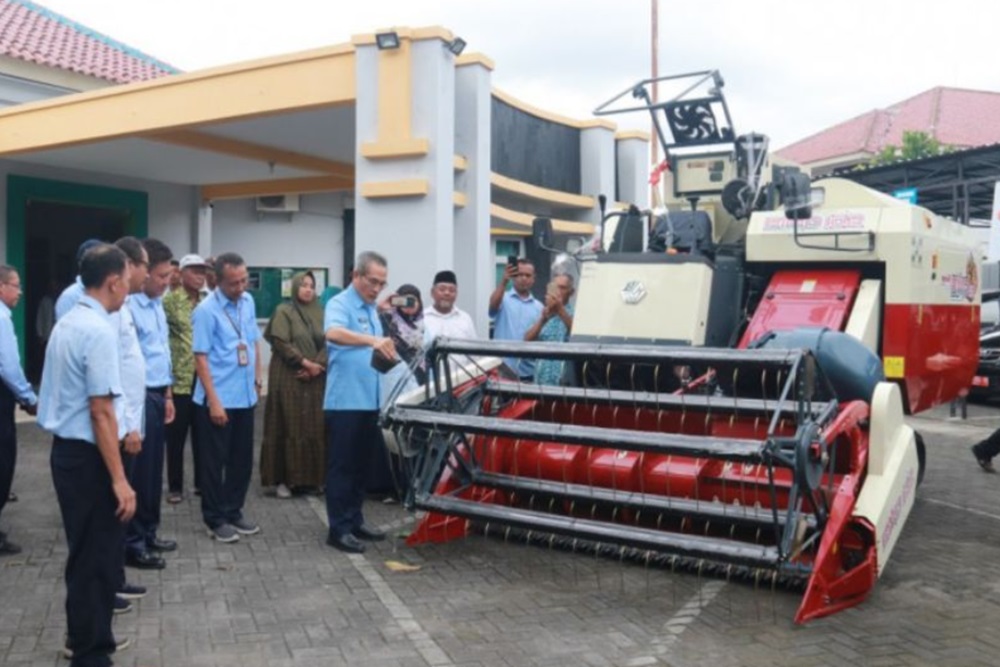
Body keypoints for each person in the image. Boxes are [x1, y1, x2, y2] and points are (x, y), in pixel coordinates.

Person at [38, 243, 137, 666]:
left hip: (68, 455)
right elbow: (101, 412)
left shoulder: (70, 321)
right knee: (96, 558)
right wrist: (119, 479)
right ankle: (91, 654)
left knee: (85, 553)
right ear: (114, 281)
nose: (128, 292)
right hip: (89, 457)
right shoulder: (97, 331)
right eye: (128, 284)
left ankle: (89, 637)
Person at [323, 251, 395, 553]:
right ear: (356, 276)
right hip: (345, 403)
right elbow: (333, 333)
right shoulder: (339, 303)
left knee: (361, 468)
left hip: (369, 400)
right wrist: (372, 341)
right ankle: (338, 529)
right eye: (372, 281)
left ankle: (354, 520)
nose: (377, 288)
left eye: (382, 283)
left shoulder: (370, 310)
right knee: (342, 467)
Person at [192, 253, 262, 543]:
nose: (241, 287)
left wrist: (258, 378)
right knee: (213, 462)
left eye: (244, 280)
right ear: (217, 281)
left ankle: (234, 510)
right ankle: (214, 518)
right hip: (218, 398)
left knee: (241, 460)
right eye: (234, 283)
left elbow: (253, 341)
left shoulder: (248, 302)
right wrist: (214, 401)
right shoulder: (206, 311)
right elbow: (201, 357)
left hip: (245, 396)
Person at [125, 239, 177, 564]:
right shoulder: (130, 307)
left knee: (155, 469)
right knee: (139, 472)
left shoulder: (158, 303)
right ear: (144, 274)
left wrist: (169, 394)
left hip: (159, 394)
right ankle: (133, 542)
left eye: (169, 275)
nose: (166, 282)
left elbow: (163, 352)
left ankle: (149, 531)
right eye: (160, 276)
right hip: (139, 396)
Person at [260, 271, 327, 499]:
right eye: (304, 285)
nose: (308, 289)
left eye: (312, 285)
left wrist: (316, 366)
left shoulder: (322, 312)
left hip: (315, 380)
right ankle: (283, 480)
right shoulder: (284, 311)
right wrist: (304, 362)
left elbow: (330, 342)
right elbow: (279, 341)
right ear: (295, 287)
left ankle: (310, 480)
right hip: (288, 376)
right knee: (287, 424)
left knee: (313, 426)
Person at [163, 254, 210, 504]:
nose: (200, 275)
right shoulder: (169, 302)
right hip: (179, 377)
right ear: (181, 274)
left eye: (203, 271)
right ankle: (175, 486)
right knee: (176, 436)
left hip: (203, 377)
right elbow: (162, 339)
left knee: (203, 432)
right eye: (194, 270)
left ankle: (202, 483)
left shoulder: (207, 301)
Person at [0, 265, 37, 556]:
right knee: (3, 461)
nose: (20, 292)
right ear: (2, 286)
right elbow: (8, 366)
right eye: (16, 285)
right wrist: (27, 397)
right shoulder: (1, 317)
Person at [489, 258, 543, 380]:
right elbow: (492, 309)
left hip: (528, 372)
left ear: (533, 278)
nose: (523, 278)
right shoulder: (503, 298)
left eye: (528, 275)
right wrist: (503, 281)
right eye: (519, 274)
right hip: (502, 369)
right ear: (513, 276)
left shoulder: (539, 307)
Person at [423, 270, 478, 379]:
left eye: (452, 290)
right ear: (432, 293)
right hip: (431, 386)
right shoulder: (423, 318)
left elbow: (474, 354)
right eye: (442, 289)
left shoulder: (465, 319)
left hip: (462, 386)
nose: (447, 293)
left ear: (456, 294)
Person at [524, 272, 576, 386]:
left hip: (564, 381)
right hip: (541, 378)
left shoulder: (575, 314)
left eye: (562, 288)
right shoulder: (542, 312)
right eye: (555, 287)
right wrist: (543, 319)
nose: (558, 292)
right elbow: (527, 340)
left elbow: (576, 336)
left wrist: (560, 310)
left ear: (571, 292)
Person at [378, 283, 427, 385]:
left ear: (419, 302)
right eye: (404, 301)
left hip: (420, 380)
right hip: (395, 381)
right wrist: (381, 308)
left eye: (412, 301)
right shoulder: (388, 320)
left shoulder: (426, 325)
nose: (408, 304)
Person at [54, 238, 103, 321]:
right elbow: (66, 330)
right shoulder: (69, 297)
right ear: (80, 264)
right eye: (93, 262)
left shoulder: (111, 292)